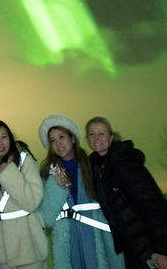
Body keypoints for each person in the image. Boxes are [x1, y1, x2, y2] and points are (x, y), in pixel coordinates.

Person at [87, 117, 167, 269]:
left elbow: (151, 208)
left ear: (111, 137)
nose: (96, 138)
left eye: (101, 133)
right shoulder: (98, 169)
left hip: (159, 249)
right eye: (91, 134)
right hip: (136, 249)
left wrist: (161, 251)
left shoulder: (126, 166)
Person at [38, 115, 124, 269]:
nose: (58, 143)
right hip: (68, 241)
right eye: (52, 140)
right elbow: (46, 218)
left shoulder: (93, 166)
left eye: (61, 137)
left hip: (95, 236)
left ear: (73, 139)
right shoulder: (47, 174)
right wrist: (55, 186)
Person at [0, 120, 48, 269]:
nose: (0, 143)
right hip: (1, 250)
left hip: (29, 246)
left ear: (10, 138)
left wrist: (10, 174)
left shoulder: (24, 161)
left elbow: (32, 202)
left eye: (4, 137)